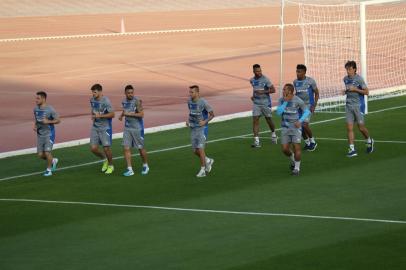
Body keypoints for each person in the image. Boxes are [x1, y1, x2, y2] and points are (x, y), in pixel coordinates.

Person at [276, 84, 310, 176]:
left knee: (296, 147)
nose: (283, 91)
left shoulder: (298, 100)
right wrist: (285, 102)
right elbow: (278, 113)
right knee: (285, 149)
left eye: (284, 89)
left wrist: (300, 121)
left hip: (296, 128)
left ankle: (297, 169)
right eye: (283, 89)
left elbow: (307, 111)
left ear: (290, 91)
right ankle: (293, 159)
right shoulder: (281, 100)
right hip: (285, 128)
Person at [343, 61, 374, 157]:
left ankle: (369, 140)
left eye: (350, 69)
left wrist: (355, 89)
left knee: (361, 128)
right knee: (349, 128)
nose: (348, 71)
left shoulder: (359, 79)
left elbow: (367, 92)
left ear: (355, 69)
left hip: (358, 105)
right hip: (348, 106)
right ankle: (352, 149)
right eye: (347, 69)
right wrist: (346, 91)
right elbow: (349, 90)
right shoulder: (345, 79)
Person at [119, 85, 149, 176]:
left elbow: (141, 115)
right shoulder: (124, 102)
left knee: (140, 148)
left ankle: (145, 165)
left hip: (137, 128)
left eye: (132, 92)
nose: (130, 94)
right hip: (127, 128)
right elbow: (125, 111)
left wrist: (130, 114)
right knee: (126, 147)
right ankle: (129, 169)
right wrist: (122, 115)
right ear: (125, 93)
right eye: (128, 93)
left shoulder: (137, 101)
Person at [186, 85, 215, 178]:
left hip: (202, 128)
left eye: (192, 92)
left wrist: (204, 121)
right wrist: (189, 122)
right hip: (193, 128)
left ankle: (203, 170)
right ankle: (208, 160)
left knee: (201, 149)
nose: (190, 94)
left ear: (197, 93)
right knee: (195, 151)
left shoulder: (203, 102)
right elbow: (191, 113)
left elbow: (212, 114)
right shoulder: (189, 102)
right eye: (189, 92)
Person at [33, 91, 61, 176]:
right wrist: (35, 125)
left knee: (47, 153)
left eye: (38, 98)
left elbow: (58, 120)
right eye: (36, 98)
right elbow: (37, 119)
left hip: (49, 134)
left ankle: (49, 170)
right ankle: (53, 160)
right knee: (41, 155)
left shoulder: (50, 109)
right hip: (40, 134)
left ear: (44, 99)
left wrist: (48, 121)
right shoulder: (35, 109)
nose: (36, 100)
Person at [89, 83, 115, 174]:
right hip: (95, 127)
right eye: (92, 92)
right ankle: (105, 159)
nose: (93, 94)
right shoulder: (92, 100)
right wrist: (93, 116)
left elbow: (112, 114)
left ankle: (111, 165)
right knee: (93, 149)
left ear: (100, 91)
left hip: (105, 128)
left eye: (95, 92)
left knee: (106, 148)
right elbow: (93, 110)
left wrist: (100, 115)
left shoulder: (106, 101)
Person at [250, 64, 277, 148]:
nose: (259, 72)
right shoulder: (252, 80)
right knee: (255, 120)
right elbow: (255, 89)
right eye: (257, 71)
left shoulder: (265, 79)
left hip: (266, 103)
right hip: (256, 103)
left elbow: (273, 90)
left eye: (260, 71)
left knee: (268, 119)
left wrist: (263, 92)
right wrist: (253, 96)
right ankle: (256, 141)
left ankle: (273, 134)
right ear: (254, 71)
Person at [293, 64, 320, 151]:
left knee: (304, 124)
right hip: (299, 107)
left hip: (308, 106)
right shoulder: (295, 82)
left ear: (304, 72)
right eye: (297, 71)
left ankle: (313, 142)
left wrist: (314, 105)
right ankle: (307, 143)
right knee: (298, 126)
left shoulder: (310, 81)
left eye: (299, 72)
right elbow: (297, 94)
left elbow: (317, 92)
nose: (298, 73)